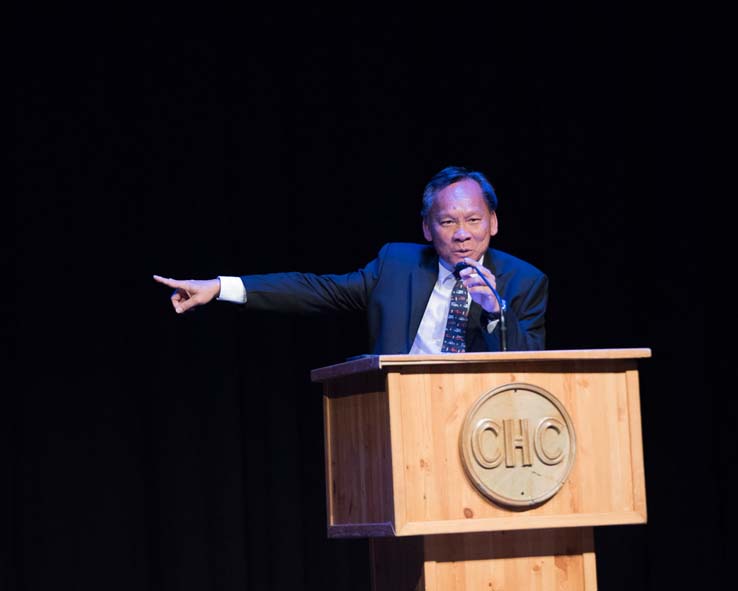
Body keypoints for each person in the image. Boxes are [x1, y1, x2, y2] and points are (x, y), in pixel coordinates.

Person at [154, 165, 548, 354]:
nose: (462, 233)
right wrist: (221, 287)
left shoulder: (524, 281)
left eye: (473, 220)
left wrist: (494, 310)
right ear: (428, 229)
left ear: (493, 223)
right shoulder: (397, 265)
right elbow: (319, 290)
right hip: (399, 413)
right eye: (448, 222)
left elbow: (533, 365)